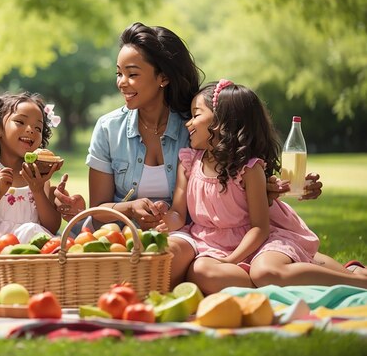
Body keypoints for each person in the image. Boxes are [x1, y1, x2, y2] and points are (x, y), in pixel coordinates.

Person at [53, 22, 324, 288]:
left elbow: (236, 168)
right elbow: (100, 210)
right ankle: (270, 275)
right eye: (118, 73)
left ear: (163, 77)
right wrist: (129, 208)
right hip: (123, 232)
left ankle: (281, 272)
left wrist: (281, 185)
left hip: (189, 234)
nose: (122, 83)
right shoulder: (108, 128)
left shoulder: (196, 127)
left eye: (132, 74)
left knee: (163, 261)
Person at [157, 80, 367, 293]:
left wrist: (231, 260)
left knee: (265, 272)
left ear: (221, 121)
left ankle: (358, 282)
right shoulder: (189, 162)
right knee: (200, 271)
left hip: (258, 243)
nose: (188, 123)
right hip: (210, 246)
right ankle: (272, 283)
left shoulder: (248, 168)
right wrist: (165, 220)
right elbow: (177, 213)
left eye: (196, 114)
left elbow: (260, 228)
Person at [0, 91, 63, 257]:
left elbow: (51, 227)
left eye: (38, 127)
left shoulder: (39, 177)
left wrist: (37, 190)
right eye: (20, 122)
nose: (31, 130)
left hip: (32, 252)